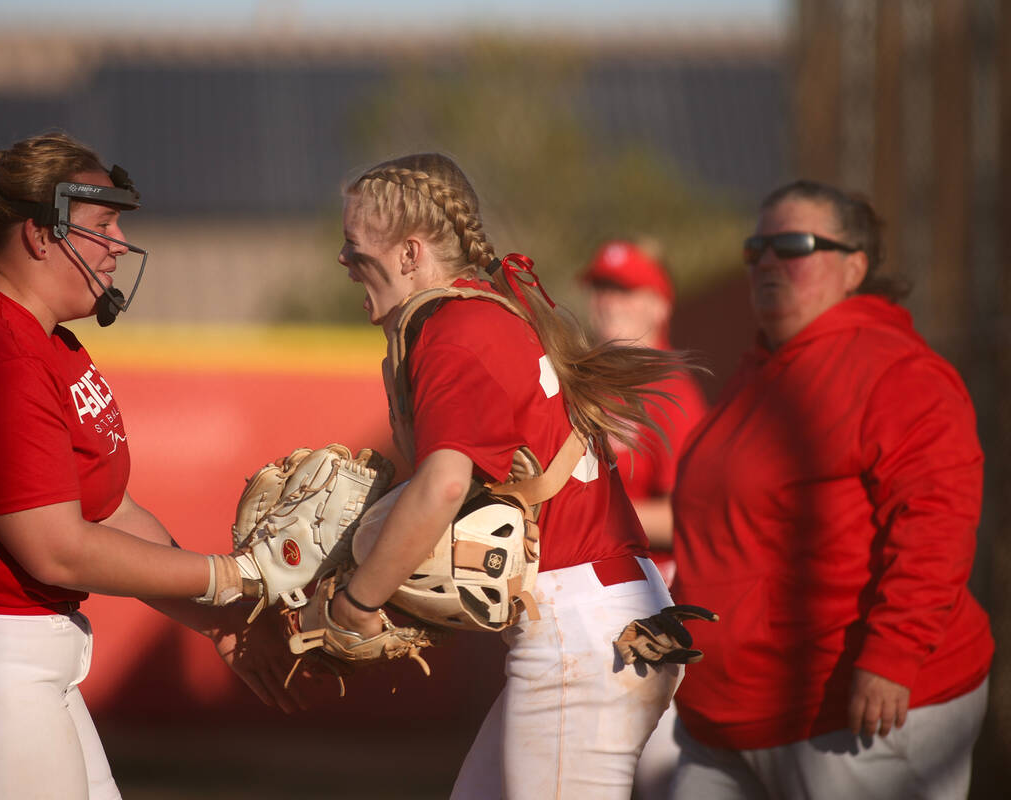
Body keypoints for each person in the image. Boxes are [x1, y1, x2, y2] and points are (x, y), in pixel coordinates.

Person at [0, 132, 300, 800]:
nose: (117, 246)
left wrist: (215, 614)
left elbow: (111, 510)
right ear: (39, 235)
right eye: (100, 226)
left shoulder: (46, 341)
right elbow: (58, 551)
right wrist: (242, 577)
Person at [329, 153, 689, 799]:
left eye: (356, 247)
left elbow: (442, 485)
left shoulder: (454, 327)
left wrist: (357, 603)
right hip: (603, 614)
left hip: (582, 629)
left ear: (410, 254)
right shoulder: (487, 310)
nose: (344, 260)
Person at [668, 179, 993, 799]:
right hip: (727, 719)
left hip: (857, 712)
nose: (766, 259)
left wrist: (893, 658)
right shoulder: (760, 372)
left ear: (855, 267)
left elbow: (937, 522)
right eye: (755, 246)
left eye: (792, 245)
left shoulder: (895, 368)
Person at [579, 239, 708, 800]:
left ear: (660, 305)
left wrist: (582, 519)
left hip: (649, 610)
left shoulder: (670, 390)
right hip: (591, 605)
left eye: (626, 290)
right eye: (603, 287)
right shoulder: (592, 383)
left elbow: (689, 518)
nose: (609, 302)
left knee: (653, 778)